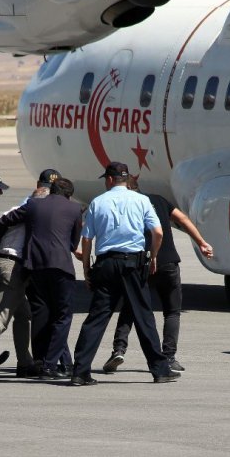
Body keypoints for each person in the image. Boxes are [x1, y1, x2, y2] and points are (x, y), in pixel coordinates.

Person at [70, 161, 181, 386]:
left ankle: (80, 372)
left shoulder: (97, 202)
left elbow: (87, 238)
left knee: (97, 318)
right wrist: (153, 255)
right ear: (126, 178)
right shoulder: (142, 200)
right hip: (134, 263)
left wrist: (86, 269)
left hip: (107, 264)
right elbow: (157, 231)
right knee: (144, 316)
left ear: (110, 180)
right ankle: (160, 370)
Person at [104, 174, 214, 374]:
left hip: (141, 262)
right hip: (169, 262)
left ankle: (119, 349)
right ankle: (169, 356)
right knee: (172, 312)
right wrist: (202, 242)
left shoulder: (127, 205)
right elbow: (182, 219)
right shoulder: (158, 200)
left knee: (130, 308)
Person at [0, 177, 82, 379]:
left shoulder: (34, 204)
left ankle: (43, 361)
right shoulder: (75, 209)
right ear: (69, 195)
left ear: (51, 190)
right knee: (62, 316)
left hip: (35, 267)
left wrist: (0, 238)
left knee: (41, 314)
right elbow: (73, 242)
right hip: (61, 266)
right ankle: (51, 365)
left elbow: (5, 220)